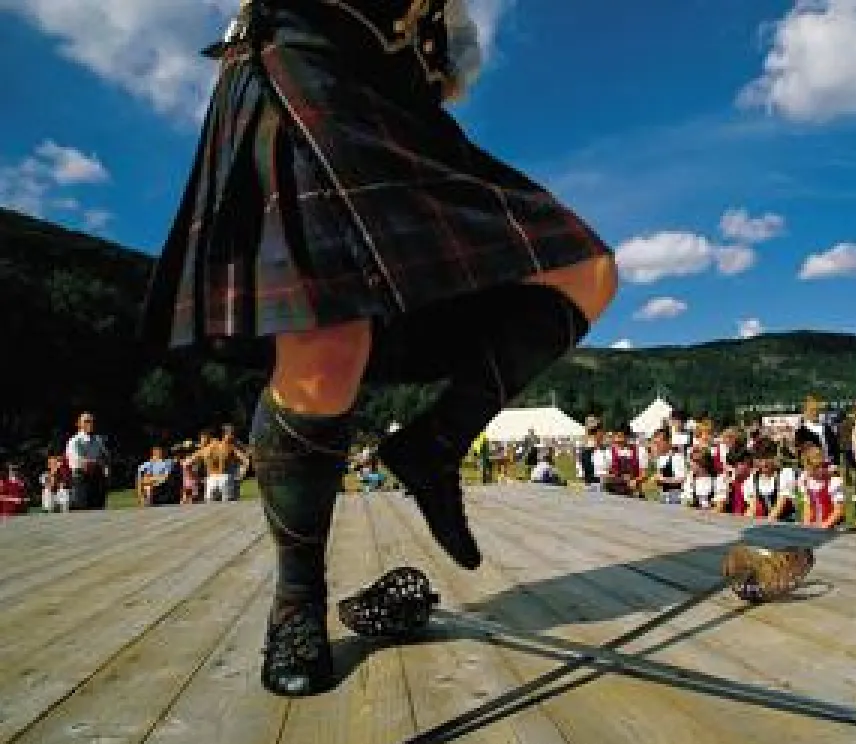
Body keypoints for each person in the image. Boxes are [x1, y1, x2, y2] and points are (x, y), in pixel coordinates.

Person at [139, 0, 616, 697]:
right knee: (328, 341)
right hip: (307, 57)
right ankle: (296, 601)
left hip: (403, 100)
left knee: (586, 270)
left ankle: (434, 444)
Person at [65, 411, 110, 511]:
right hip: (82, 478)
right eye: (86, 421)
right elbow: (80, 461)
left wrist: (103, 465)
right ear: (79, 424)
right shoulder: (75, 441)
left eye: (92, 421)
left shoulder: (98, 440)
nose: (90, 424)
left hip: (97, 477)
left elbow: (105, 456)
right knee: (83, 509)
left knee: (99, 507)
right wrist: (96, 462)